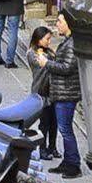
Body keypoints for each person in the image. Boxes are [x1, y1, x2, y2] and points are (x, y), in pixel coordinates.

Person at [44, 12, 82, 177]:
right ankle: (68, 161)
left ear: (68, 24)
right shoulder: (68, 42)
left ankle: (74, 164)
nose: (57, 24)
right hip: (62, 91)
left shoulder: (72, 43)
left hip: (67, 92)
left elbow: (67, 68)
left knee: (65, 129)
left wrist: (47, 64)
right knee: (64, 128)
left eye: (59, 21)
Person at [27, 26, 60, 160]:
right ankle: (43, 149)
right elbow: (43, 64)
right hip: (41, 91)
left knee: (54, 122)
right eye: (47, 39)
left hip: (52, 91)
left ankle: (53, 147)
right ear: (39, 39)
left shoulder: (49, 52)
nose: (49, 42)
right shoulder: (32, 53)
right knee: (44, 123)